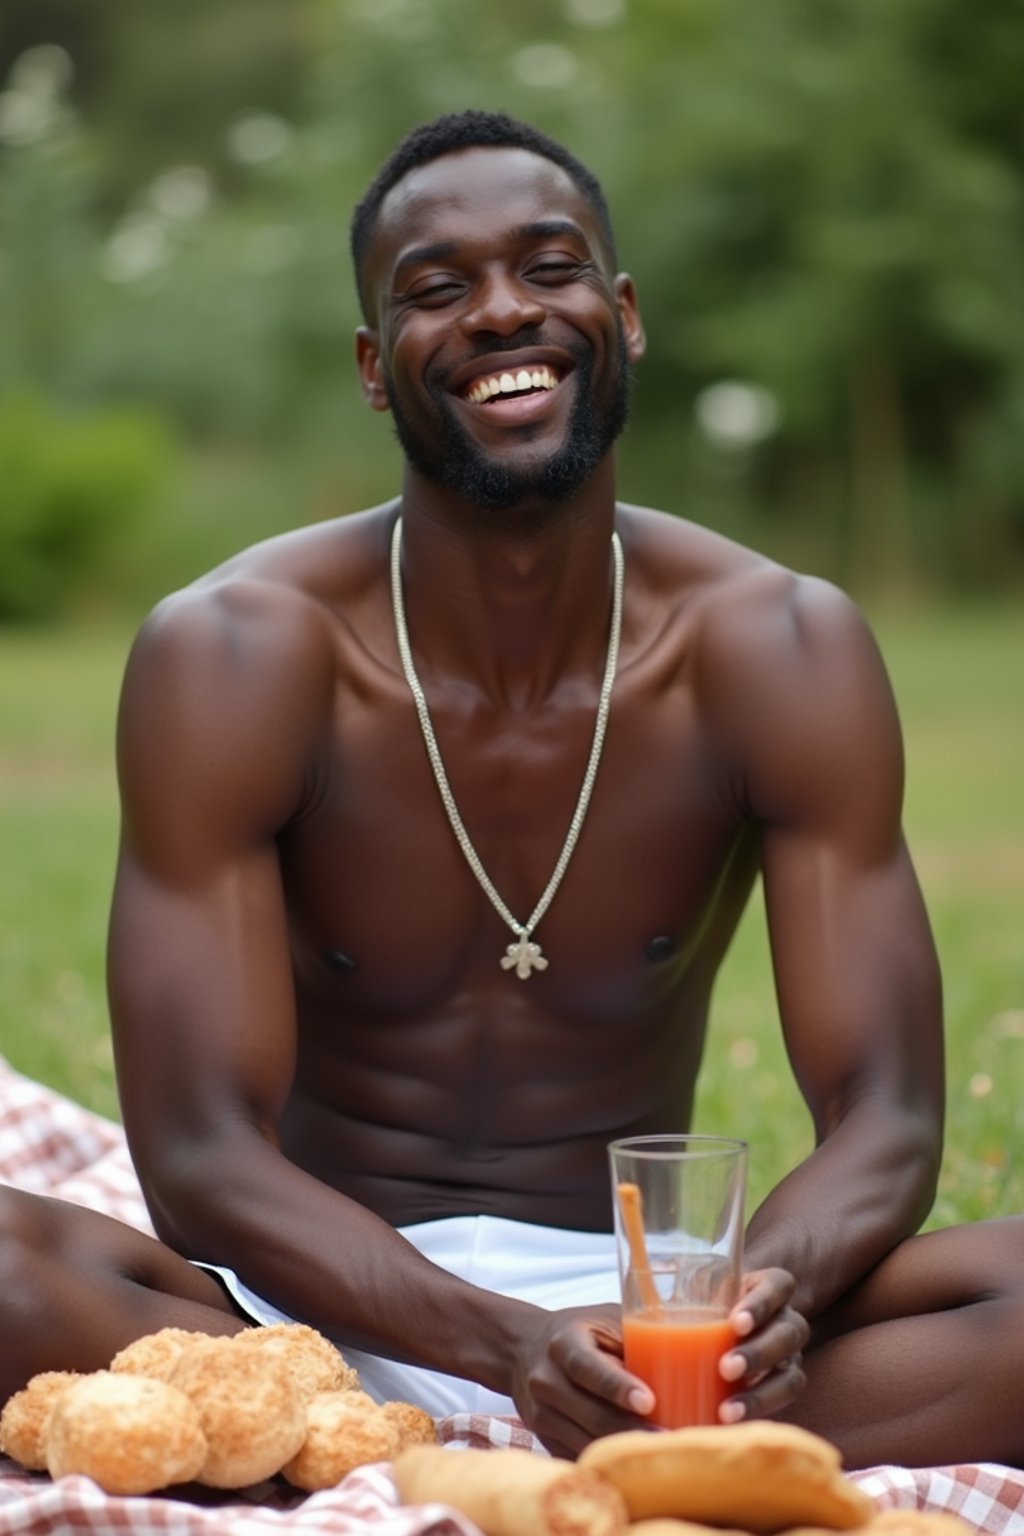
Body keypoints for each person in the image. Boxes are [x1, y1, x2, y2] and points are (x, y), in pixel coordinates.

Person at [0, 109, 1020, 1472]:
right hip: (293, 1315)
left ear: (625, 314)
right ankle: (523, 1450)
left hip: (658, 1322)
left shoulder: (778, 645)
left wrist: (727, 1313)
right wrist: (504, 1349)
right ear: (375, 367)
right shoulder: (237, 651)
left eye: (549, 269)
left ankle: (405, 1460)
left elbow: (887, 1111)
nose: (500, 314)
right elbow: (198, 1157)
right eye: (437, 289)